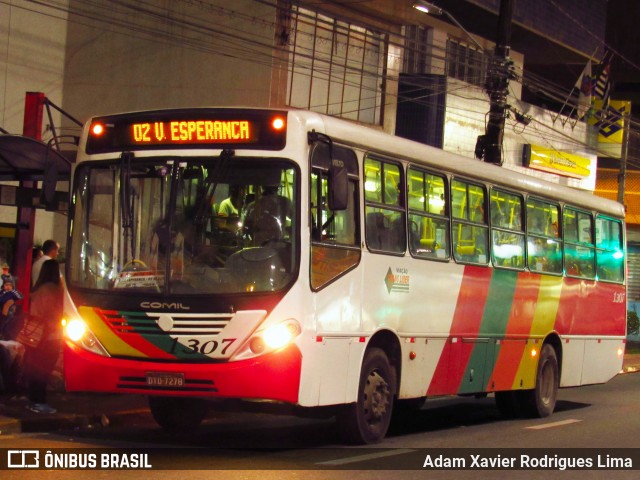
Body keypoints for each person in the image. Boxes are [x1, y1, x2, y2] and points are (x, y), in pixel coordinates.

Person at [24, 259, 64, 414]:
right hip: (49, 336)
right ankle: (39, 402)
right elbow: (52, 315)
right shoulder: (53, 290)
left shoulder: (38, 288)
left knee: (35, 369)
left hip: (33, 334)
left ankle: (33, 400)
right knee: (44, 370)